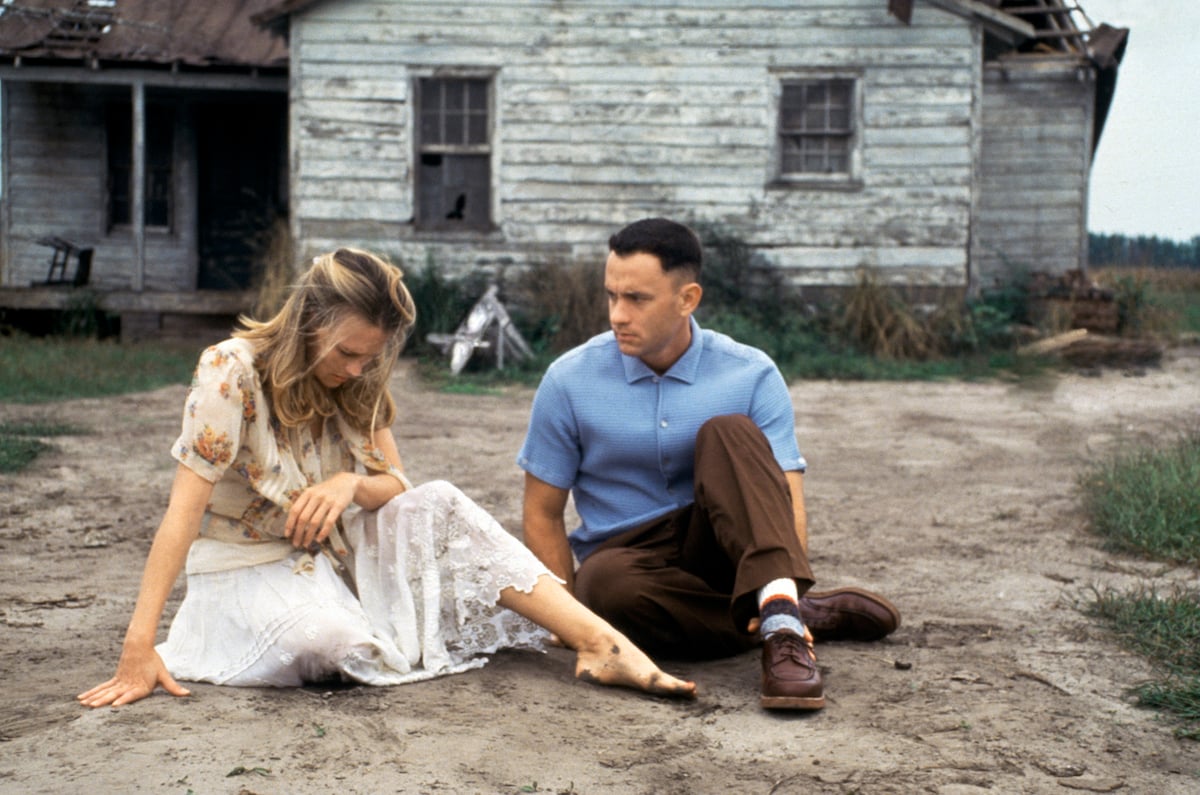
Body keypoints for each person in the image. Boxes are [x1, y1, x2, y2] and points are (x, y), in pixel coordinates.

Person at [78, 247, 695, 709]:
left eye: (369, 356)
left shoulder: (361, 369)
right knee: (337, 646)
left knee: (441, 501)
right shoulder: (228, 371)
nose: (357, 367)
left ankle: (600, 643)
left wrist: (347, 485)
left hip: (330, 550)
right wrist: (139, 644)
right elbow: (182, 514)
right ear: (307, 322)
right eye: (346, 353)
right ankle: (350, 619)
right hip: (243, 565)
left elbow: (395, 483)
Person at [518, 218, 900, 711]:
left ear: (687, 299)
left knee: (728, 431)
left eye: (637, 299)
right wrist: (572, 624)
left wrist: (788, 568)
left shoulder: (750, 372)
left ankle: (782, 626)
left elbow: (786, 499)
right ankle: (788, 610)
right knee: (601, 587)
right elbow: (542, 511)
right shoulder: (569, 380)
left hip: (727, 545)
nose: (617, 314)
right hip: (633, 563)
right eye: (611, 295)